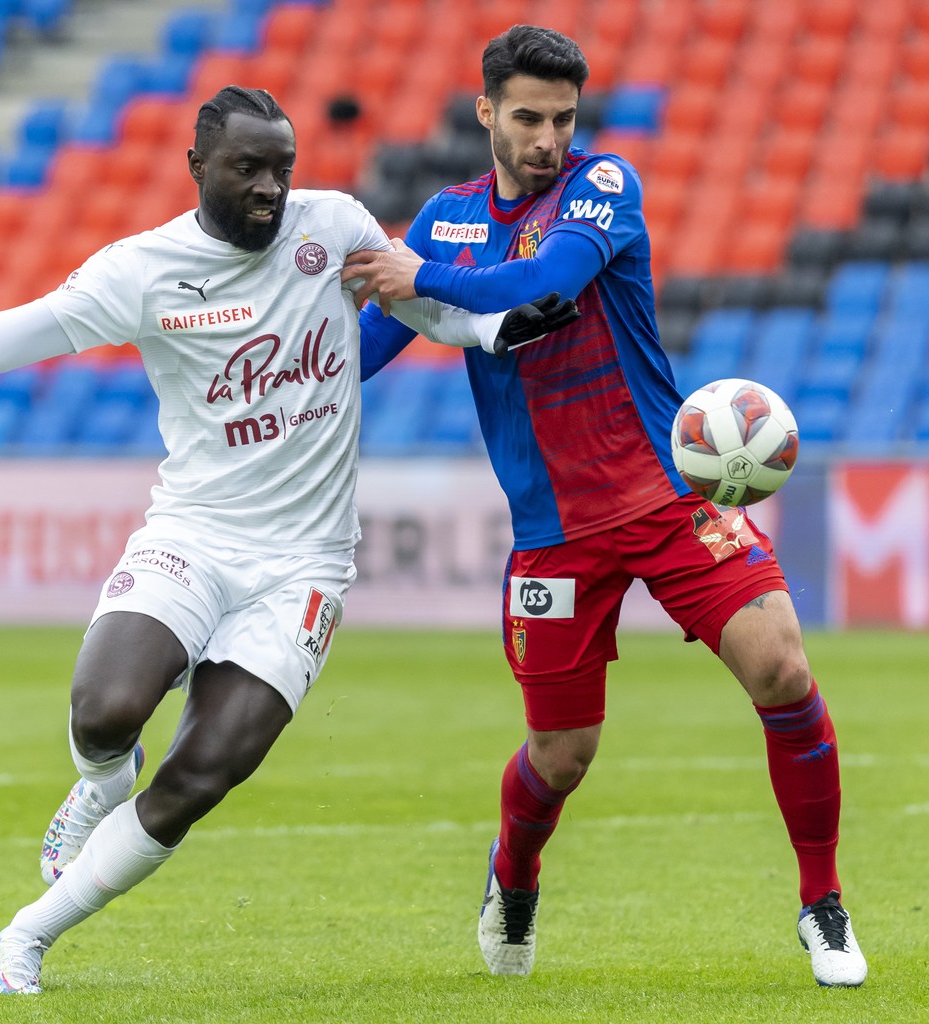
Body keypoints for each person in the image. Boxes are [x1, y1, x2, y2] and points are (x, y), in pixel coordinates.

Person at [0, 85, 577, 996]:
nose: (271, 188)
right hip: (195, 534)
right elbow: (2, 338)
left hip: (305, 565)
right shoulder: (143, 271)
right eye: (248, 169)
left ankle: (23, 938)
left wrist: (495, 326)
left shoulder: (334, 225)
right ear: (198, 169)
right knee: (104, 713)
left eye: (282, 168)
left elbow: (416, 307)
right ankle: (101, 785)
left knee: (205, 771)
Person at [341, 26, 868, 988]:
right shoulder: (445, 221)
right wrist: (290, 379)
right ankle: (515, 872)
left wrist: (418, 279)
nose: (548, 138)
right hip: (553, 536)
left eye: (564, 118)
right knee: (562, 753)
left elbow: (543, 284)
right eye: (530, 118)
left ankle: (822, 902)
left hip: (670, 497)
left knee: (783, 667)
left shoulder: (602, 187)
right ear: (486, 112)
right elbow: (367, 349)